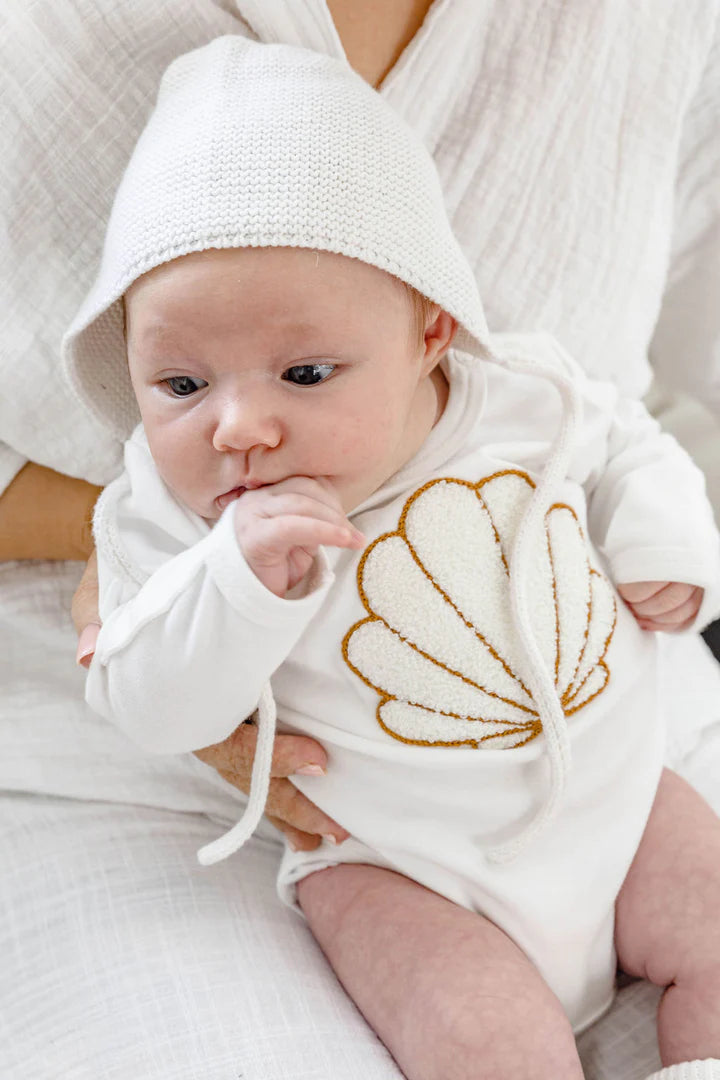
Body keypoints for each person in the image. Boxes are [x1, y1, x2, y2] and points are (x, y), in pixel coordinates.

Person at [3, 3, 720, 1078]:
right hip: (395, 865)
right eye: (181, 384)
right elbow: (147, 699)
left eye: (303, 375)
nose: (238, 427)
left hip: (614, 794)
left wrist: (665, 545)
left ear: (429, 330)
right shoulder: (160, 511)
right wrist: (230, 589)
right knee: (483, 1043)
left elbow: (631, 436)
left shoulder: (522, 394)